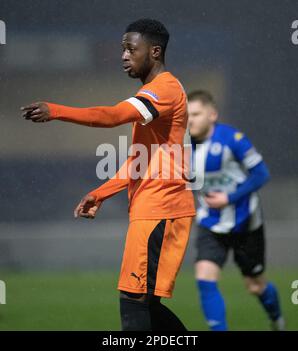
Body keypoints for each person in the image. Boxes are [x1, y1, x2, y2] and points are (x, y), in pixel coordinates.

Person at [21, 18, 196, 331]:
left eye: (131, 49)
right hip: (152, 209)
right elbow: (138, 161)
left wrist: (56, 110)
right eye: (122, 49)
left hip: (161, 210)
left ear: (154, 51)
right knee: (145, 304)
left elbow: (111, 115)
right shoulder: (153, 93)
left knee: (133, 301)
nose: (124, 55)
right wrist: (100, 193)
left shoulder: (164, 89)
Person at [187, 90, 284, 331]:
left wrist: (229, 197)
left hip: (245, 221)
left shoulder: (233, 139)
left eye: (196, 114)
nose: (190, 120)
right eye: (187, 115)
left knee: (255, 285)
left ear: (212, 115)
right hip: (210, 223)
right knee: (205, 279)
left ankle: (277, 321)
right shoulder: (183, 146)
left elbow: (262, 173)